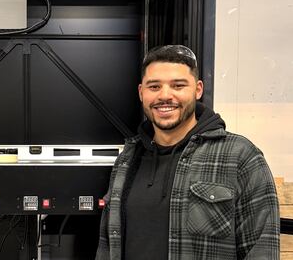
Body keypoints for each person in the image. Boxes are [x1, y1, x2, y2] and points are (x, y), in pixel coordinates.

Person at [96, 45, 280, 259]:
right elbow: (107, 247)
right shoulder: (127, 160)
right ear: (141, 92)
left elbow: (261, 250)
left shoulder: (240, 157)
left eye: (178, 85)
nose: (165, 95)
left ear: (198, 89)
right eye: (154, 87)